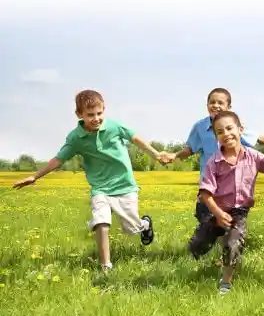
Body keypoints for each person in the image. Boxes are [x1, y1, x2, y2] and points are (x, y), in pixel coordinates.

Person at [13, 89, 163, 272]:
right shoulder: (76, 138)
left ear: (104, 110)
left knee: (132, 229)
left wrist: (156, 154)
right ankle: (106, 266)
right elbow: (58, 159)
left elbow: (135, 138)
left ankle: (144, 224)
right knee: (101, 222)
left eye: (99, 113)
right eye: (90, 115)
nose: (96, 118)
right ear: (79, 114)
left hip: (124, 185)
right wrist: (35, 176)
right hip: (100, 188)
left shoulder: (115, 127)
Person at [160, 88, 264, 258]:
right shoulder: (200, 127)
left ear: (229, 106)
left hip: (232, 190)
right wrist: (174, 155)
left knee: (228, 228)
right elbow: (190, 149)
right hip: (210, 186)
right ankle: (204, 247)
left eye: (220, 102)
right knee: (207, 224)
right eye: (212, 102)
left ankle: (227, 253)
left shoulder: (233, 126)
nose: (215, 105)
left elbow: (258, 137)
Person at [193, 110, 264, 295]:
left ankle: (225, 283)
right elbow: (205, 194)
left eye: (229, 128)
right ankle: (199, 249)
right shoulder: (214, 162)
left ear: (240, 129)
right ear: (216, 137)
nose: (226, 134)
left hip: (239, 212)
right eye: (220, 132)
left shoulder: (253, 156)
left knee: (234, 244)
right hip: (216, 211)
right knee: (198, 245)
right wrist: (218, 214)